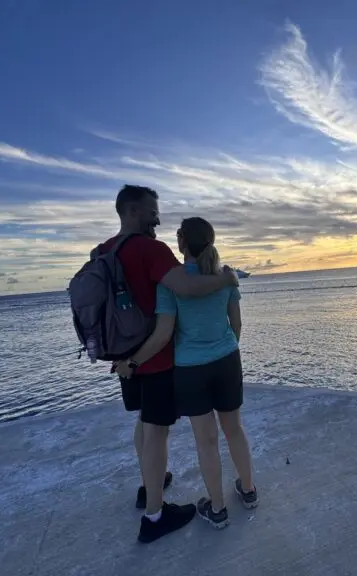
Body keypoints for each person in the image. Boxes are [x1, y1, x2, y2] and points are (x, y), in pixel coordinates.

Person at [102, 185, 238, 544]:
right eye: (151, 212)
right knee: (156, 430)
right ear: (131, 211)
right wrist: (227, 278)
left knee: (145, 423)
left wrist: (125, 360)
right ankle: (154, 515)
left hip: (124, 355)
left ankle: (151, 484)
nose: (157, 219)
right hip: (153, 358)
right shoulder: (152, 249)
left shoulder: (104, 250)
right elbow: (190, 288)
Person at [117, 217, 258, 530]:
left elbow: (163, 334)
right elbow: (236, 325)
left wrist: (134, 362)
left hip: (190, 370)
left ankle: (217, 509)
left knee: (206, 441)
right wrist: (224, 348)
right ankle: (248, 491)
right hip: (227, 360)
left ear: (181, 242)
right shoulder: (224, 275)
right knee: (234, 428)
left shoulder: (172, 283)